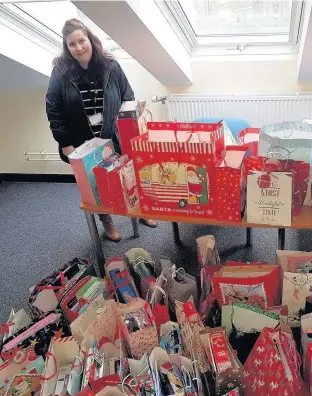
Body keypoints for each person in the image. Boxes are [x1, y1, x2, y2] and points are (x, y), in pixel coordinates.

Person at [46, 18, 157, 242]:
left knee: (128, 175)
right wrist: (65, 143)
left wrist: (129, 130)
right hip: (81, 140)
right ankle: (107, 220)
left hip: (113, 134)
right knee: (94, 182)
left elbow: (128, 97)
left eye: (81, 41)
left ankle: (140, 210)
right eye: (72, 44)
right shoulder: (61, 71)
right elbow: (53, 107)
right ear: (66, 47)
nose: (78, 48)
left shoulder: (110, 66)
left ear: (90, 40)